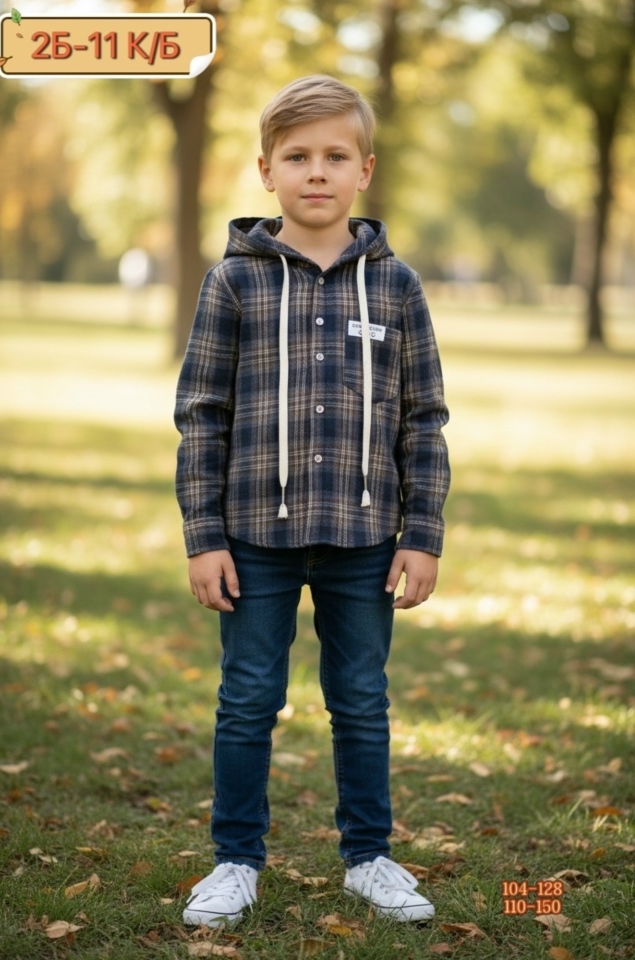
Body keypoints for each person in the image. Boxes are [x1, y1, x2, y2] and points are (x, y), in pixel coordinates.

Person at [174, 74, 450, 929]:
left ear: (365, 169)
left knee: (360, 700)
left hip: (366, 539)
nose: (317, 172)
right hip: (252, 537)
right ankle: (235, 860)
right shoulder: (234, 283)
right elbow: (202, 414)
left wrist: (422, 533)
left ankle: (369, 856)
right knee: (248, 699)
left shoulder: (397, 286)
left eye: (335, 156)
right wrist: (203, 536)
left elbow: (424, 416)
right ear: (266, 171)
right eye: (297, 157)